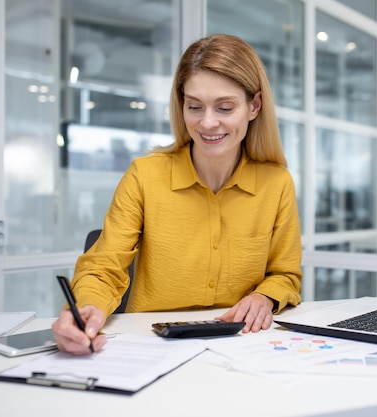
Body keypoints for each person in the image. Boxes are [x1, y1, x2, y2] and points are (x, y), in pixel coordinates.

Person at [52, 34, 303, 355]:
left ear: (254, 106)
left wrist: (264, 297)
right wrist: (88, 308)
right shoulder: (145, 175)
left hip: (242, 346)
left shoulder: (276, 183)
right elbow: (103, 268)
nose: (208, 123)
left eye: (225, 107)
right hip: (153, 345)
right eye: (194, 107)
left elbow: (285, 274)